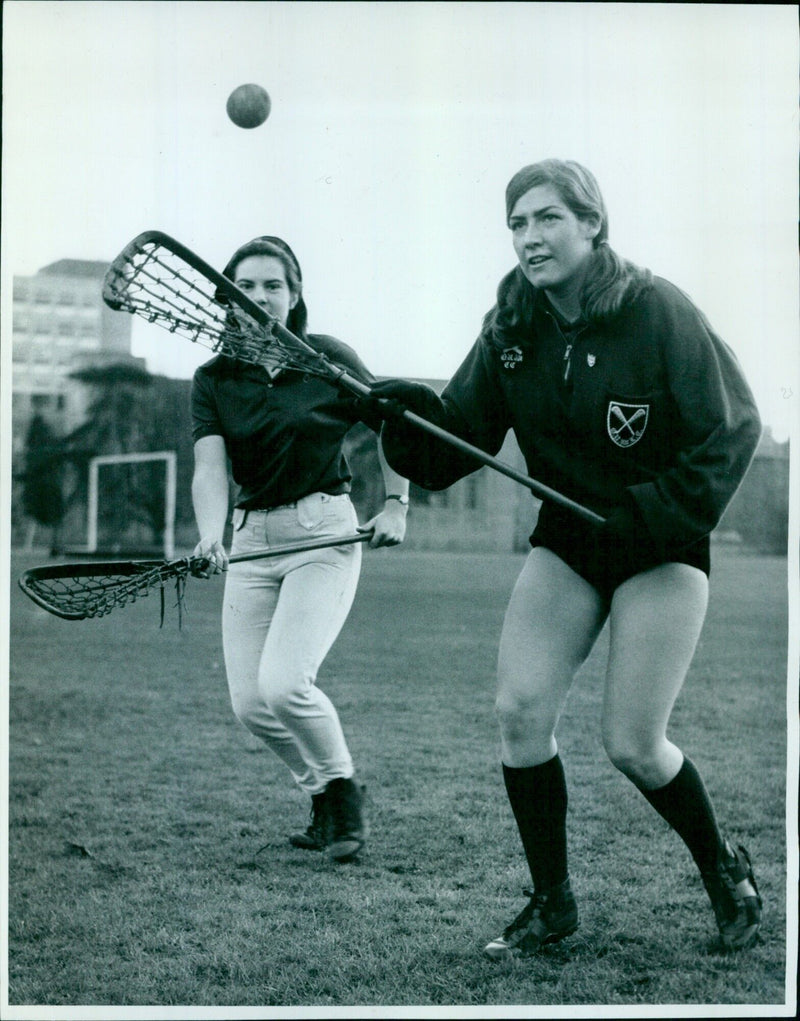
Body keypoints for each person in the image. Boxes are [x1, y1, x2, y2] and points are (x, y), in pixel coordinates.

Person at [369, 160, 763, 953]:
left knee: (633, 743)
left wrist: (646, 515)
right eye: (516, 223)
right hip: (571, 540)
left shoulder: (657, 310)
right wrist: (398, 416)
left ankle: (723, 868)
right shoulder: (510, 325)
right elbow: (455, 445)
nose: (530, 237)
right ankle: (553, 904)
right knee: (519, 711)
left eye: (547, 218)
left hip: (659, 541)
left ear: (591, 223)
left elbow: (733, 429)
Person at [190, 235, 409, 863]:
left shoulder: (328, 359)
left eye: (273, 286)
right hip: (251, 540)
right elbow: (211, 468)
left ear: (294, 296)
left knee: (286, 685)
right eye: (245, 287)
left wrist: (396, 503)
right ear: (226, 297)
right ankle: (324, 796)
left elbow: (393, 422)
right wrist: (211, 534)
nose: (259, 297)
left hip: (324, 534)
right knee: (251, 705)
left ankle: (344, 798)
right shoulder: (213, 379)